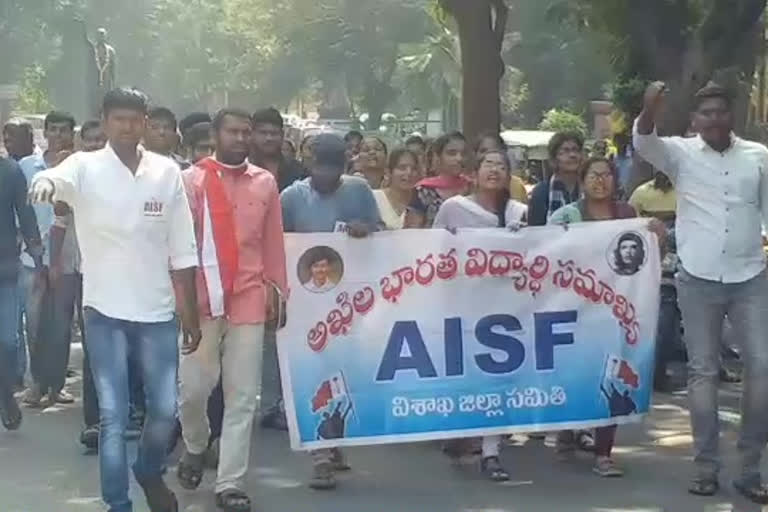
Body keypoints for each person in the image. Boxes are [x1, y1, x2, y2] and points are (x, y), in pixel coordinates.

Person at [28, 87, 201, 512]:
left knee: (164, 411)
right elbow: (52, 178)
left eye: (134, 119)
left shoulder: (165, 172)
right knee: (113, 416)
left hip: (158, 312)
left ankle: (146, 468)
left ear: (145, 122)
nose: (126, 127)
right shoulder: (84, 166)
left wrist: (190, 311)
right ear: (104, 123)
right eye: (118, 119)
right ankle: (117, 503)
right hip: (104, 312)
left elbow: (183, 249)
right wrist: (46, 185)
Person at [634, 80, 768, 503]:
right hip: (698, 277)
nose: (713, 118)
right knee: (703, 372)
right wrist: (649, 108)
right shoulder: (681, 153)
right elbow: (644, 140)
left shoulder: (759, 157)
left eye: (720, 111)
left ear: (733, 117)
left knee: (762, 368)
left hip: (750, 275)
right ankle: (706, 466)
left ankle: (750, 468)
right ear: (694, 121)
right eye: (705, 113)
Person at [176, 108, 288, 512]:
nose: (242, 138)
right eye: (234, 131)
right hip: (202, 301)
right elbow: (178, 246)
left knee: (242, 396)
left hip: (249, 298)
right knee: (193, 390)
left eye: (247, 132)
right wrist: (181, 301)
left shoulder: (265, 183)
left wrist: (279, 291)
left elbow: (273, 242)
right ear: (216, 134)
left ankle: (230, 483)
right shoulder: (192, 181)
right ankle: (195, 444)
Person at [280, 133, 382, 490]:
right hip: (308, 305)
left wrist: (367, 230)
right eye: (320, 168)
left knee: (344, 373)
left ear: (345, 166)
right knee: (315, 376)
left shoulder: (359, 192)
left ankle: (334, 441)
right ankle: (320, 455)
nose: (326, 176)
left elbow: (382, 234)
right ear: (308, 163)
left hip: (352, 304)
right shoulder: (291, 198)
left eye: (334, 169)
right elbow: (278, 245)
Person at [548, 157, 652, 478]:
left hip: (616, 309)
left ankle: (604, 453)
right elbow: (547, 252)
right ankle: (569, 430)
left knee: (613, 377)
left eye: (607, 175)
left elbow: (642, 254)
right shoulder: (566, 216)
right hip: (574, 307)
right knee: (576, 372)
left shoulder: (628, 215)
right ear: (582, 180)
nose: (600, 181)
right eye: (594, 175)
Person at [432, 149, 527, 483]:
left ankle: (491, 452)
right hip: (460, 304)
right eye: (488, 164)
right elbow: (432, 250)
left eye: (502, 166)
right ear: (473, 173)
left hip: (503, 309)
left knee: (498, 377)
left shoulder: (519, 213)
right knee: (464, 375)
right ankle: (460, 432)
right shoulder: (453, 209)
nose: (495, 170)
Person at [19, 111, 77, 408]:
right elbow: (21, 210)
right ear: (45, 133)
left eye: (62, 130)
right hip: (32, 259)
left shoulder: (79, 167)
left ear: (71, 133)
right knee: (35, 323)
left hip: (68, 259)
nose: (56, 135)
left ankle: (56, 386)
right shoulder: (27, 167)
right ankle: (36, 383)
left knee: (61, 325)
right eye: (51, 130)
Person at [0, 154, 43, 431]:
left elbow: (25, 215)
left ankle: (5, 393)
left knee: (7, 341)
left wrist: (38, 257)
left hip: (4, 269)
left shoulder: (10, 171)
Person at [629, 172, 678, 390]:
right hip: (652, 267)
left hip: (689, 263)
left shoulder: (689, 191)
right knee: (661, 322)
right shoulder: (640, 193)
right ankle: (653, 373)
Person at [404, 131, 469, 228]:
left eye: (463, 153)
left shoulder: (473, 187)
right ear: (438, 157)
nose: (459, 158)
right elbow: (412, 230)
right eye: (452, 153)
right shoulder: (423, 190)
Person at [528, 132, 585, 227]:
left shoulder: (589, 188)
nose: (572, 155)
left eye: (576, 150)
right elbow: (535, 231)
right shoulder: (541, 191)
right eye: (565, 151)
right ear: (554, 158)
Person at [249, 107, 306, 192]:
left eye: (274, 133)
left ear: (282, 135)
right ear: (252, 134)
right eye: (263, 133)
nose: (269, 138)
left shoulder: (298, 171)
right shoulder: (241, 170)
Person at [474, 131, 528, 204]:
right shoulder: (467, 185)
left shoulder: (516, 185)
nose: (490, 156)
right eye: (483, 151)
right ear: (475, 154)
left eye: (494, 151)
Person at [373, 148, 420, 230]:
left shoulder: (422, 201)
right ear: (388, 172)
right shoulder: (373, 198)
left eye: (414, 169)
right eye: (402, 168)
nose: (409, 173)